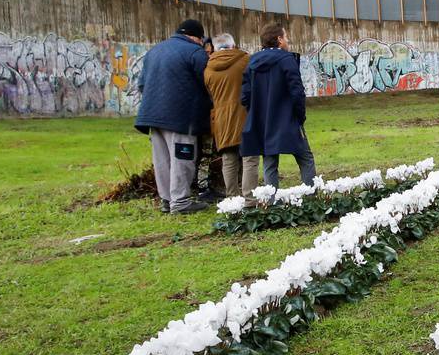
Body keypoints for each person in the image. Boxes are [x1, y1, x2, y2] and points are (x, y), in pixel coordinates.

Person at [133, 18, 213, 214]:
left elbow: (141, 85)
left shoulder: (154, 51)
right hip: (181, 117)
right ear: (196, 37)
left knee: (162, 159)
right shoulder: (195, 52)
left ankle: (167, 200)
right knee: (181, 158)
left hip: (152, 115)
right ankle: (181, 202)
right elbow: (208, 83)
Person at [240, 24, 316, 189]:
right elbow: (297, 91)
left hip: (264, 121)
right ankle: (311, 196)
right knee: (305, 157)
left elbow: (245, 95)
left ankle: (272, 201)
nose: (288, 40)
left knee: (269, 161)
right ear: (279, 40)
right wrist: (299, 115)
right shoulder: (287, 60)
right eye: (286, 37)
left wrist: (257, 113)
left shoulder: (252, 62)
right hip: (287, 118)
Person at [203, 32, 252, 196]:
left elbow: (210, 94)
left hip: (221, 119)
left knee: (228, 158)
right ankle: (249, 196)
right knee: (248, 157)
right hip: (244, 114)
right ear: (233, 45)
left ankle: (232, 196)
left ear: (215, 48)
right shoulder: (245, 60)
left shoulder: (208, 69)